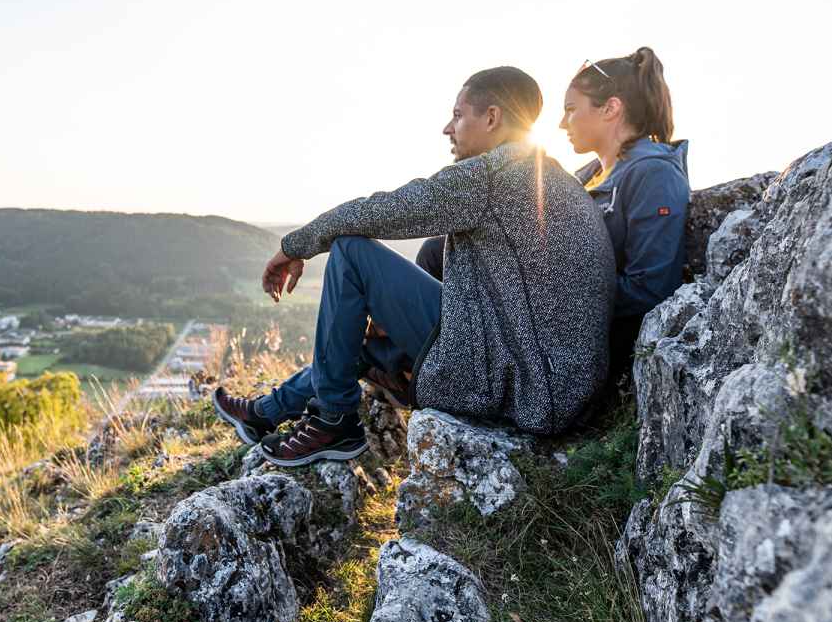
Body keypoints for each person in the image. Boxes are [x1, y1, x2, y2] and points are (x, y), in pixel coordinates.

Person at [214, 67, 617, 466]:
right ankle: (267, 412)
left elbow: (385, 210)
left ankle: (333, 421)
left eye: (459, 115)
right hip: (555, 381)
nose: (448, 128)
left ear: (492, 118)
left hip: (535, 388)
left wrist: (294, 246)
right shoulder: (547, 175)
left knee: (352, 252)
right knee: (419, 262)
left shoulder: (496, 175)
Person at [560, 47, 690, 387]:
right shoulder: (585, 177)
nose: (562, 124)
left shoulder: (653, 174)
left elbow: (650, 289)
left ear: (611, 108)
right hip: (553, 325)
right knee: (437, 251)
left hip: (587, 347)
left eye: (571, 110)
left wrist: (553, 295)